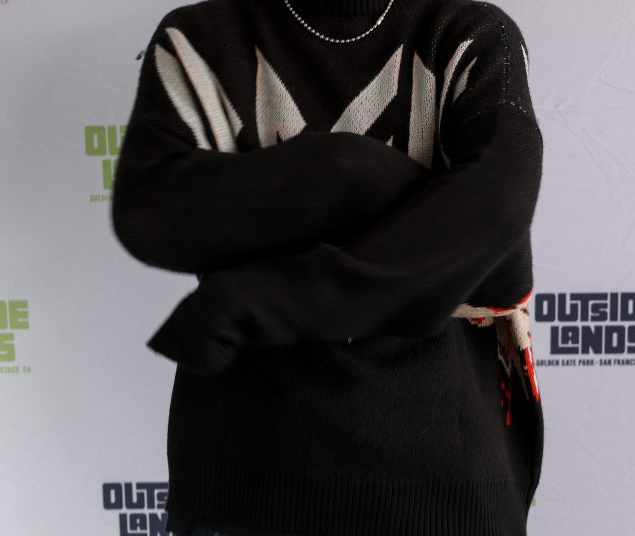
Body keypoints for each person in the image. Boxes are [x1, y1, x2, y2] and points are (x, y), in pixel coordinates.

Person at [110, 0, 545, 534]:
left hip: (441, 486)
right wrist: (356, 176)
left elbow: (494, 226)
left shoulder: (468, 34)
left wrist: (266, 294)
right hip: (247, 479)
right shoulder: (201, 38)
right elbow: (152, 214)